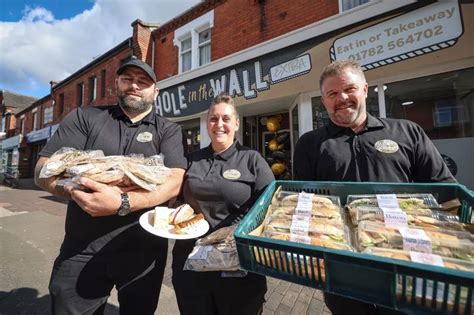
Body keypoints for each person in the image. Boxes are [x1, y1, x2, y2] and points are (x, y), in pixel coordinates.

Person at [293, 59, 455, 315]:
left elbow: (445, 190)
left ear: (365, 90)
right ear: (323, 100)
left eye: (349, 89)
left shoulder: (407, 132)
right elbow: (305, 203)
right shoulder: (309, 144)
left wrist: (453, 243)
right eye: (332, 93)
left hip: (406, 261)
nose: (342, 98)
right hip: (342, 269)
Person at [34, 57, 187, 314]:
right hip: (81, 249)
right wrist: (73, 189)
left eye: (143, 82)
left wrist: (122, 203)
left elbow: (174, 183)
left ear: (155, 91)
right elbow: (42, 170)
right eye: (128, 79)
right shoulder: (85, 117)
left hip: (144, 253)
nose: (135, 86)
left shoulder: (168, 130)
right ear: (117, 83)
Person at [171, 92, 275, 315]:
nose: (219, 124)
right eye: (213, 119)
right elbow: (175, 197)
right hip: (190, 265)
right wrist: (176, 209)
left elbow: (270, 207)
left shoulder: (252, 159)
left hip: (237, 267)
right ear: (207, 123)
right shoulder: (191, 160)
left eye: (226, 119)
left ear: (236, 123)